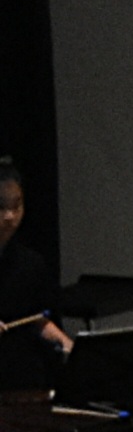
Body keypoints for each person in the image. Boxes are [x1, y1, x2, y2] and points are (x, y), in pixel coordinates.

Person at [0, 161, 63, 393]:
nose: (9, 216)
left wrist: (71, 349)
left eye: (17, 206)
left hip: (21, 379)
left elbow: (39, 319)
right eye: (1, 207)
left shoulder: (30, 264)